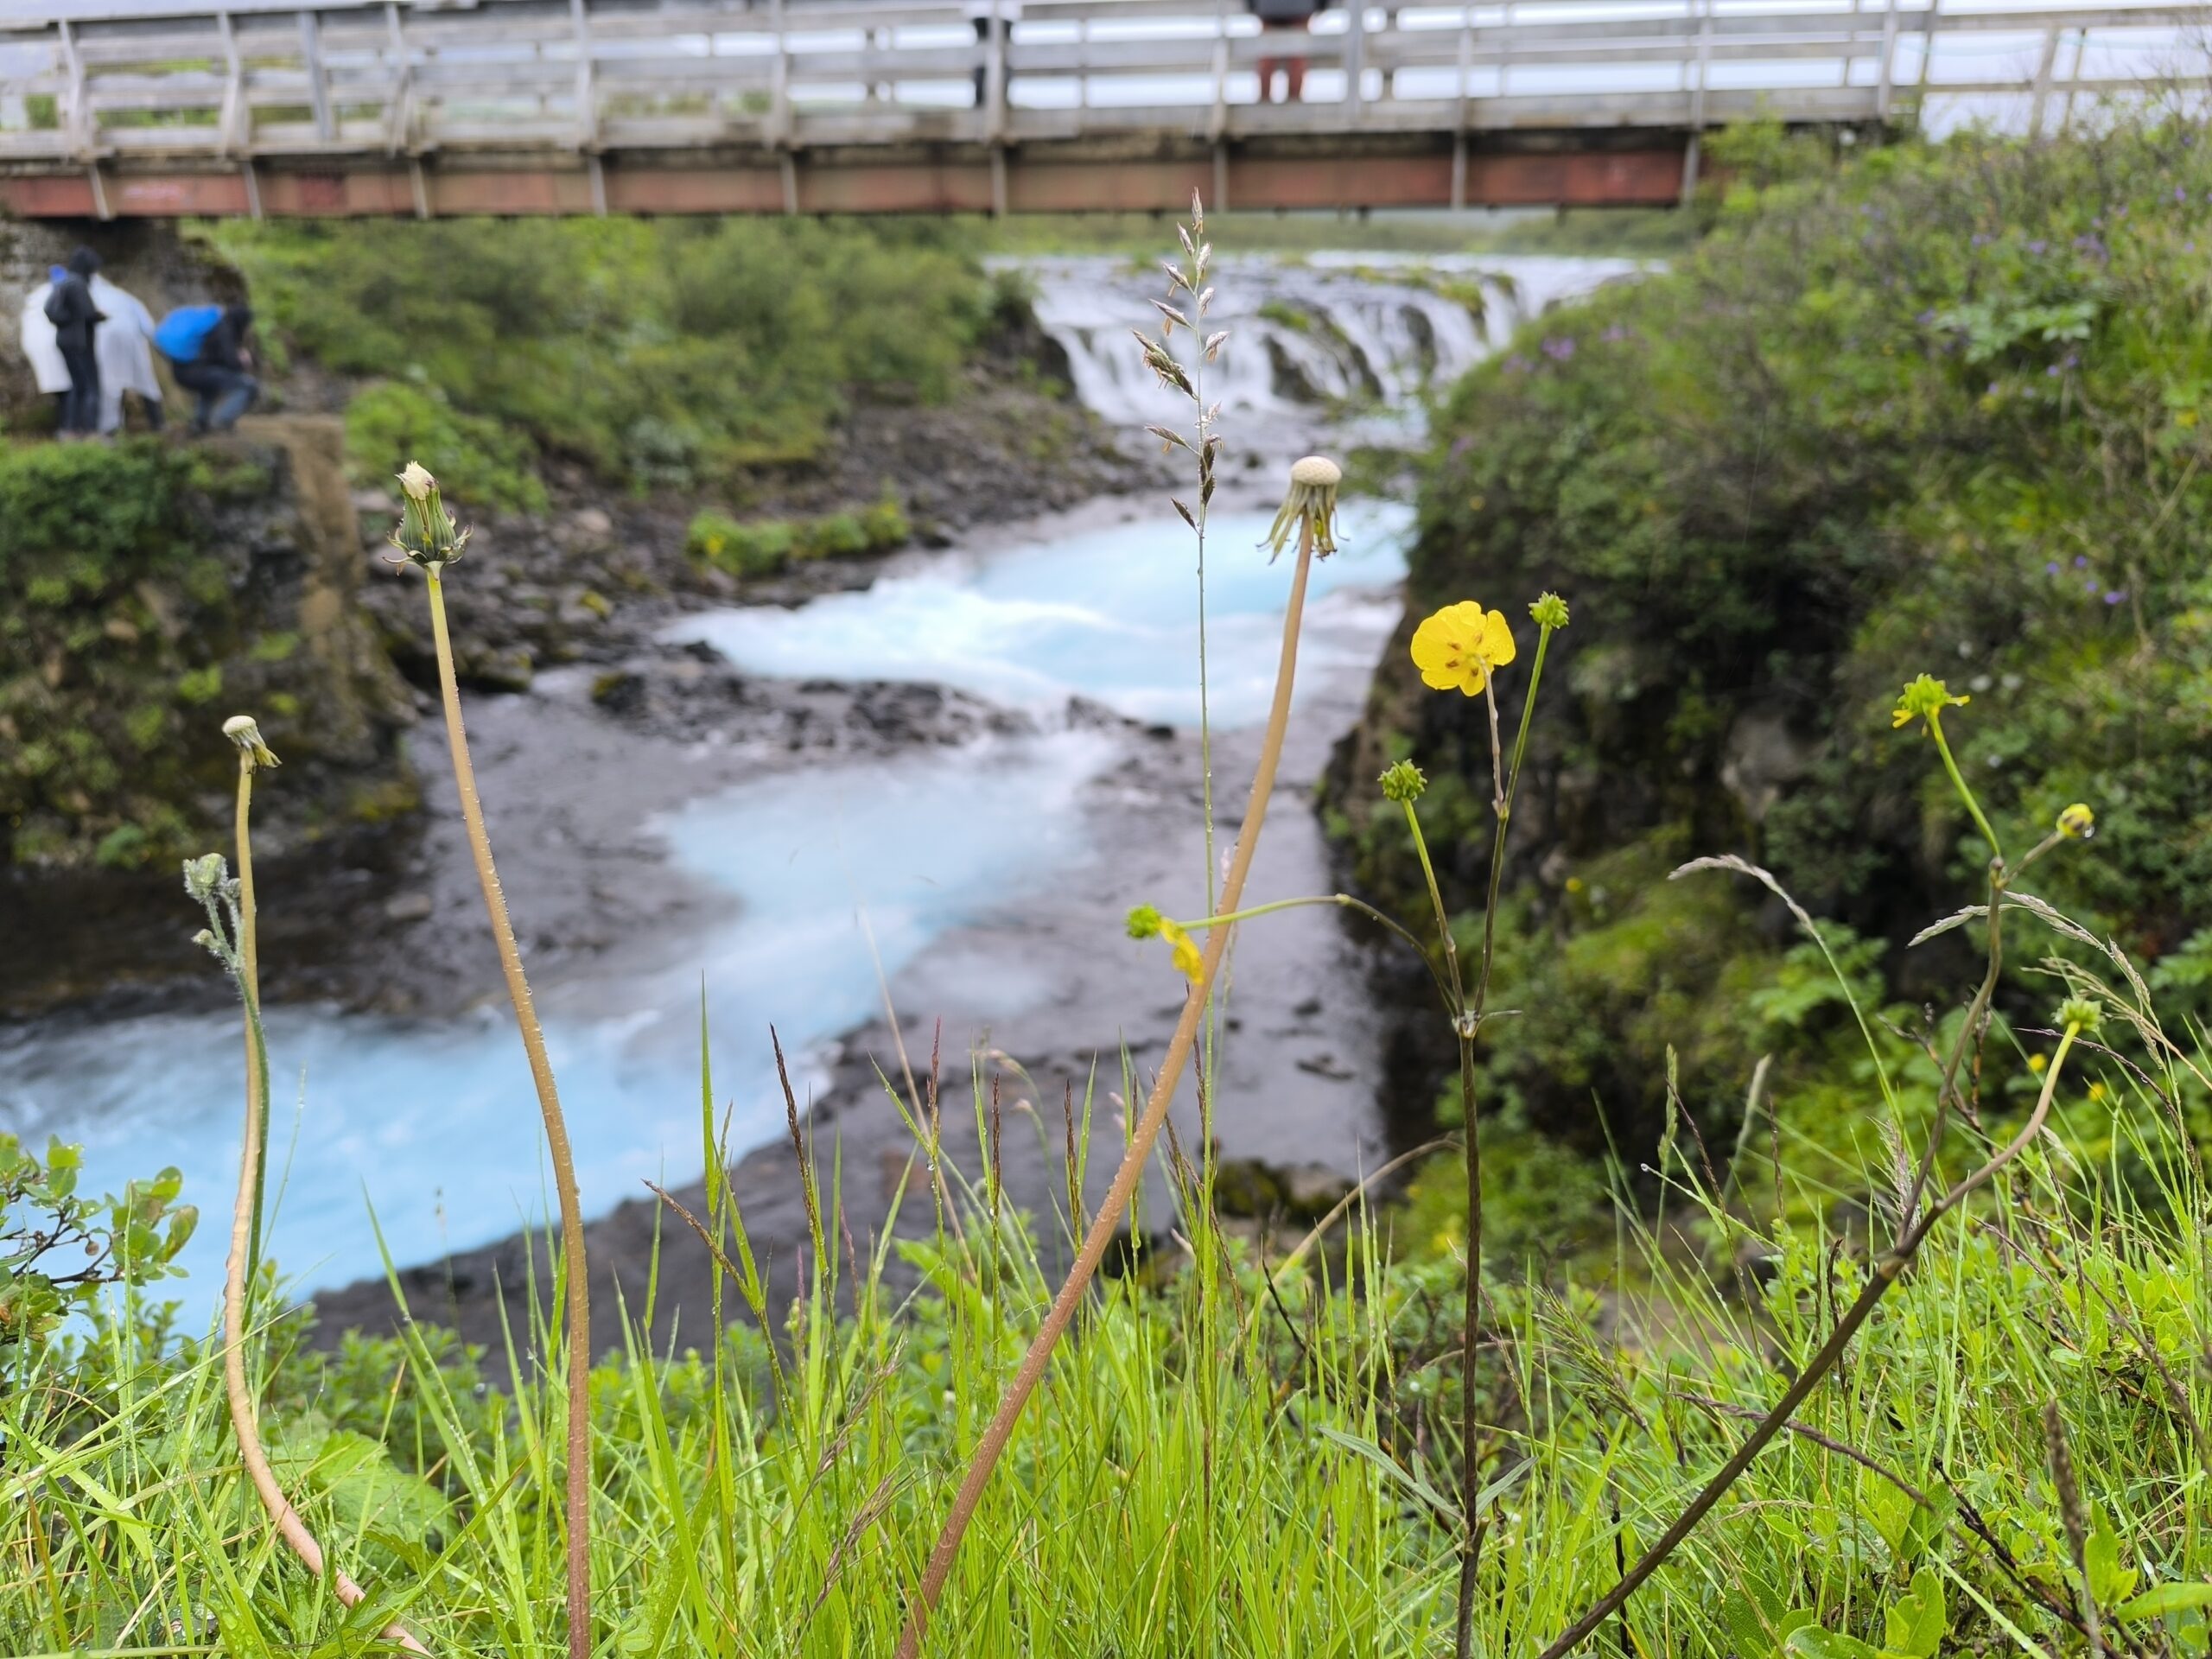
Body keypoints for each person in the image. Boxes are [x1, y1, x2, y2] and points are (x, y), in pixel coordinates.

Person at [90, 272, 163, 434]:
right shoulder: (124, 296)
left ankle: (111, 429)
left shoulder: (89, 296)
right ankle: (158, 423)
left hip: (104, 342)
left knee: (110, 385)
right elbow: (149, 327)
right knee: (146, 380)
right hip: (133, 340)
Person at [42, 248, 105, 437]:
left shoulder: (63, 282)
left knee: (77, 386)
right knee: (90, 386)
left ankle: (69, 429)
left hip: (65, 340)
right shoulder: (77, 284)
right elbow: (87, 313)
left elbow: (50, 309)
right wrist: (99, 316)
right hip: (80, 342)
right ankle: (91, 431)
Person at [168, 302, 258, 434]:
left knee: (210, 383)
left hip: (182, 371)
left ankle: (200, 423)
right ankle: (220, 423)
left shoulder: (213, 326)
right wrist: (243, 361)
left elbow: (216, 359)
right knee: (248, 386)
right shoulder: (224, 329)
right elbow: (231, 363)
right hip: (194, 372)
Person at [18, 265, 70, 425]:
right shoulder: (59, 293)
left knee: (61, 389)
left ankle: (65, 426)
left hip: (38, 346)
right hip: (55, 346)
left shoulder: (36, 295)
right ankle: (67, 427)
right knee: (67, 389)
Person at [1249, 0, 1325, 103]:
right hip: (1296, 9)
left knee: (1278, 60)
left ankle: (1268, 107)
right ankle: (1290, 107)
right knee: (1295, 59)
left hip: (1272, 9)